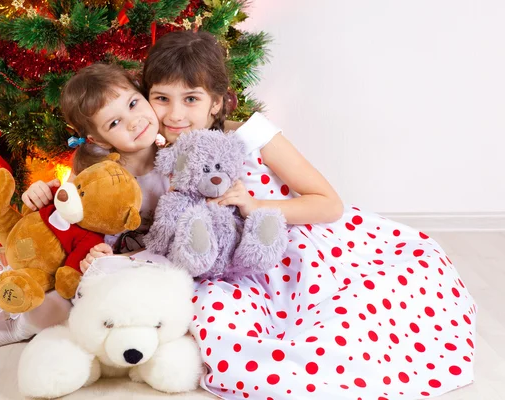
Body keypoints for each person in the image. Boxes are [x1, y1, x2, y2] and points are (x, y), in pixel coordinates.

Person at [136, 30, 477, 400]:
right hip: (221, 269)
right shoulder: (151, 154)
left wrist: (256, 206)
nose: (174, 114)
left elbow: (329, 204)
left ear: (216, 103)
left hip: (288, 249)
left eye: (190, 99)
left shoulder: (252, 136)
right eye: (161, 98)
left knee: (345, 319)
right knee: (218, 327)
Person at [0, 63, 168, 350]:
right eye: (114, 123)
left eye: (134, 104)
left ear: (142, 93)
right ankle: (22, 324)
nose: (134, 122)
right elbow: (65, 213)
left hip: (154, 262)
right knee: (64, 301)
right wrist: (42, 195)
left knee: (149, 304)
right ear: (97, 139)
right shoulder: (93, 166)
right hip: (95, 264)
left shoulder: (174, 158)